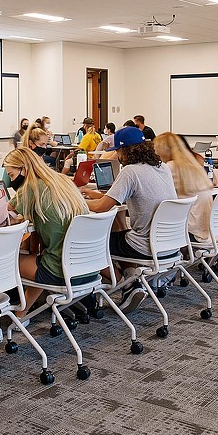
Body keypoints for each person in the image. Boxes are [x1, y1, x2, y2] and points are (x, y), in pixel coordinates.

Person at [0, 148, 97, 343]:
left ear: (24, 170)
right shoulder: (62, 181)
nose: (11, 179)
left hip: (60, 271)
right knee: (39, 256)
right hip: (88, 268)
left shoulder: (31, 188)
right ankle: (21, 315)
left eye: (12, 174)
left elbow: (3, 214)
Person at [81, 126, 177, 313]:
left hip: (145, 246)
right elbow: (116, 197)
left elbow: (102, 207)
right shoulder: (162, 167)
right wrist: (92, 193)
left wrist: (77, 200)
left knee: (91, 245)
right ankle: (131, 275)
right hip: (169, 243)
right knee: (118, 227)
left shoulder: (130, 172)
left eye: (117, 151)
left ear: (124, 151)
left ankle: (127, 284)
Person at [153, 133, 213, 242]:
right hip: (210, 231)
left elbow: (153, 194)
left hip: (189, 232)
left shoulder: (169, 167)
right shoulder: (195, 166)